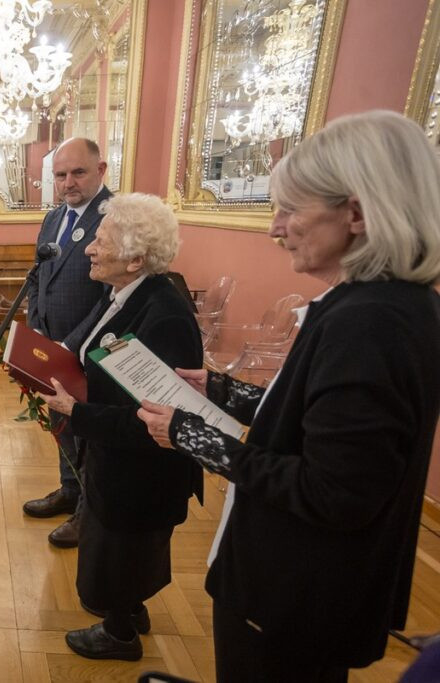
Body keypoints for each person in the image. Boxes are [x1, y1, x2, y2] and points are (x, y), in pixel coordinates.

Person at [136, 111, 440, 681]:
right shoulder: (391, 304)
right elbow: (318, 422)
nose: (276, 229)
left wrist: (192, 436)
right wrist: (224, 390)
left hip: (294, 594)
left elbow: (334, 493)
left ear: (356, 212)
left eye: (290, 210)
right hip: (308, 589)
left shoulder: (370, 322)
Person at [41, 193, 202, 661]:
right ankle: (130, 611)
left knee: (123, 547)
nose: (89, 247)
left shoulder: (165, 314)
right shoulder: (127, 294)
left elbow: (152, 417)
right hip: (118, 459)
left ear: (135, 259)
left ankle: (119, 634)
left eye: (101, 239)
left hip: (143, 469)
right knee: (123, 546)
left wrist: (77, 410)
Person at [22, 137, 113, 549]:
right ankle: (68, 489)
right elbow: (40, 276)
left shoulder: (114, 218)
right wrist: (36, 328)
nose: (68, 182)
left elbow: (113, 295)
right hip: (51, 342)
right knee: (60, 420)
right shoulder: (53, 217)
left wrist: (70, 344)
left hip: (91, 349)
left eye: (78, 172)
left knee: (90, 434)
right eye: (61, 175)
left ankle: (87, 512)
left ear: (101, 170)